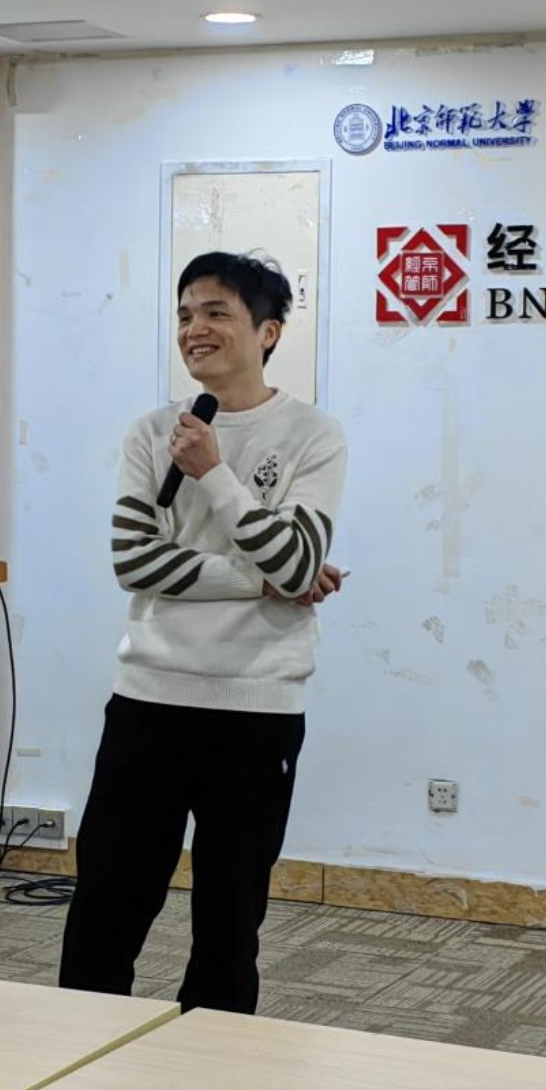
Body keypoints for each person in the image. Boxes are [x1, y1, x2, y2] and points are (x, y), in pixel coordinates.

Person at [57, 250, 347, 1014]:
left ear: (269, 331)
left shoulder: (314, 435)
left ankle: (209, 1085)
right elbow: (134, 561)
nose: (195, 329)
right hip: (148, 699)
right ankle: (76, 1074)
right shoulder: (152, 432)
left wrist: (214, 474)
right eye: (185, 314)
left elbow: (299, 559)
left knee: (228, 922)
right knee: (105, 909)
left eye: (216, 312)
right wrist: (259, 578)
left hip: (256, 708)